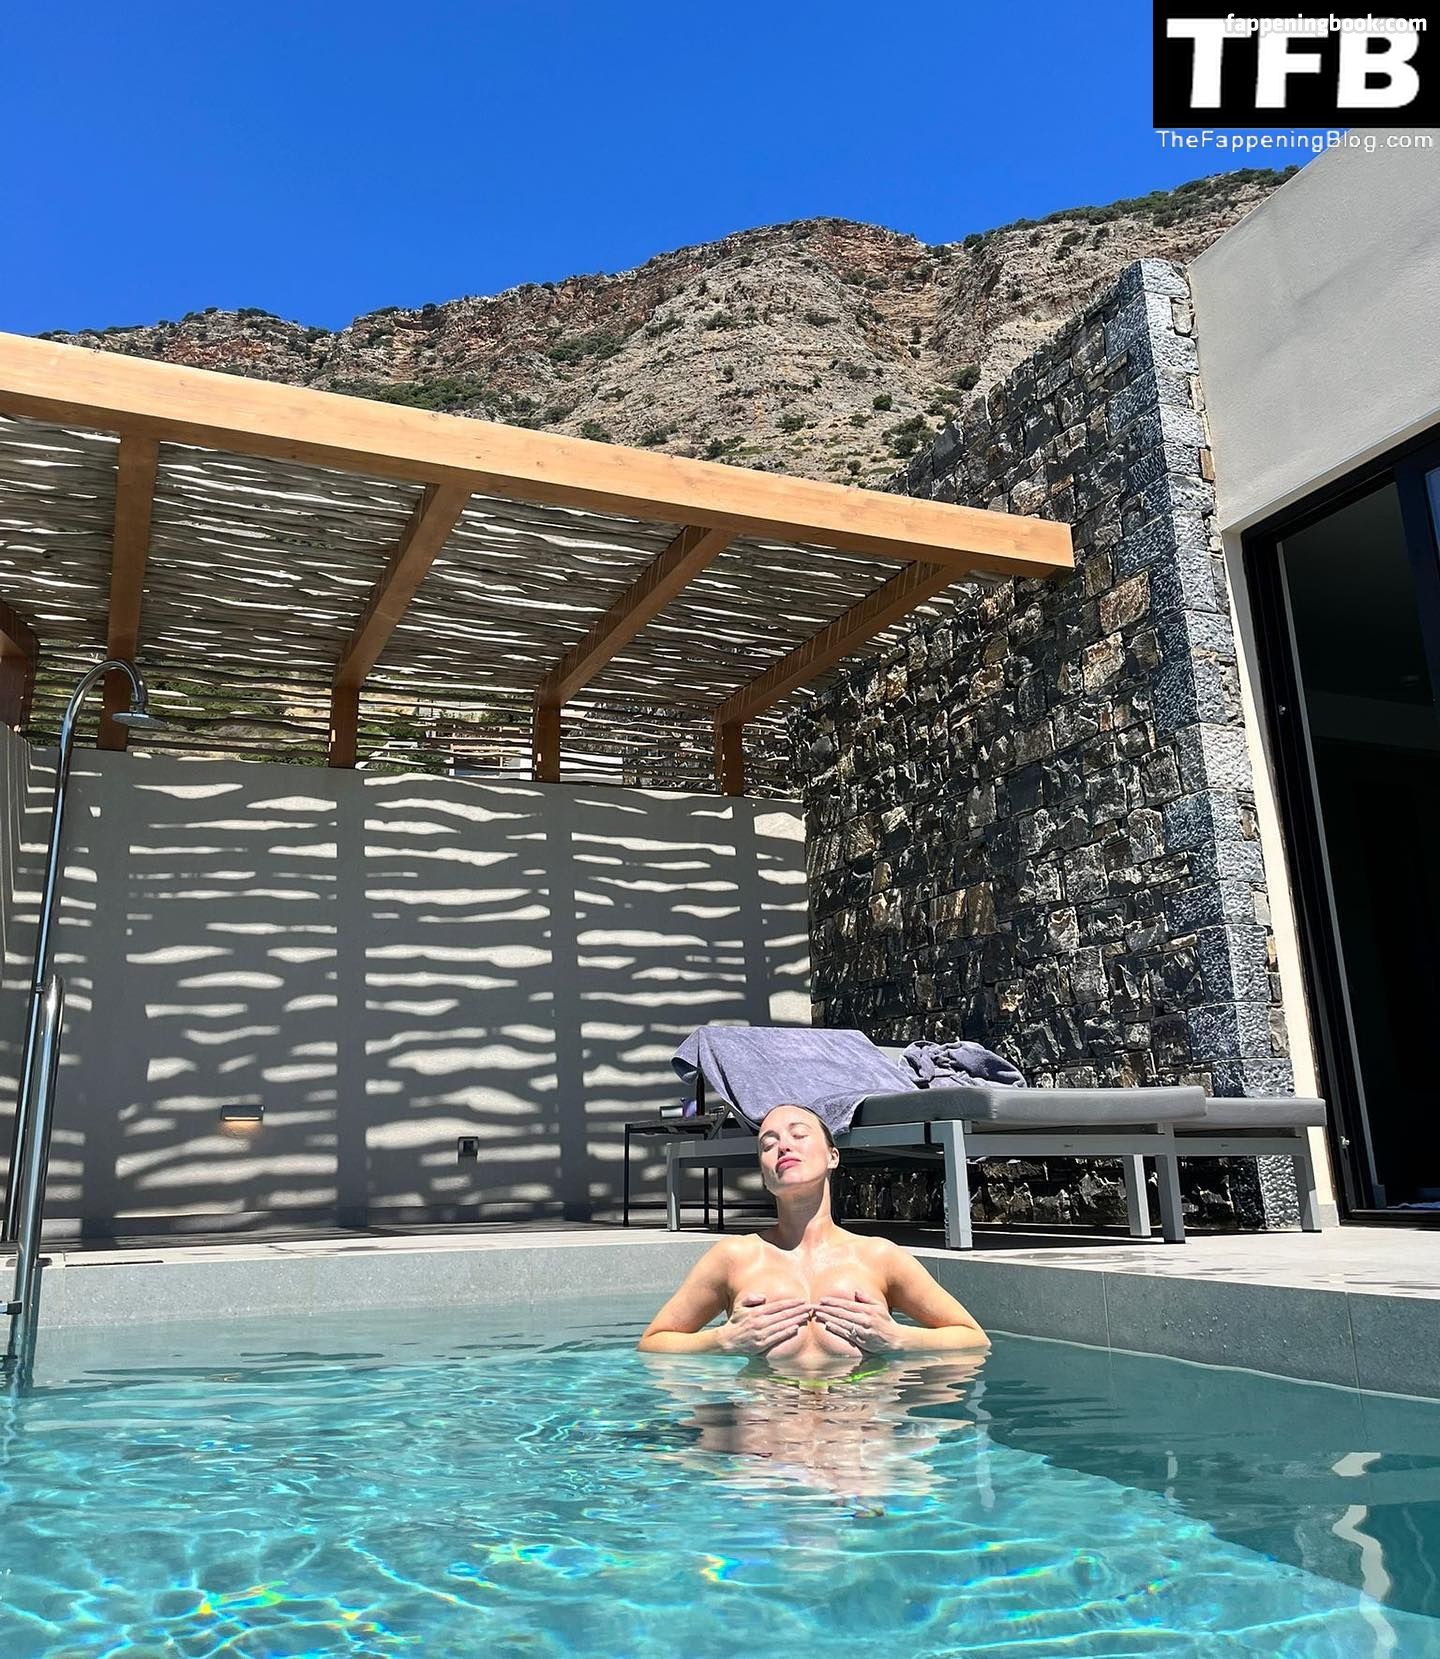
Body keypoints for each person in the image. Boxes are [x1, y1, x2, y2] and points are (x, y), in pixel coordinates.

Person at [638, 1101, 988, 1373]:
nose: (783, 1147)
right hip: (766, 1431)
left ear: (833, 1156)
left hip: (859, 1430)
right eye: (768, 1144)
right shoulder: (735, 1257)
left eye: (799, 1135)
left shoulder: (878, 1257)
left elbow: (973, 1339)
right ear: (764, 1176)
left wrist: (898, 1337)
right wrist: (723, 1340)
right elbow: (653, 1342)